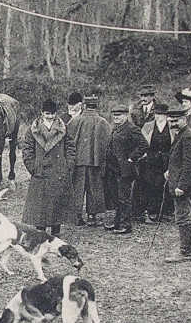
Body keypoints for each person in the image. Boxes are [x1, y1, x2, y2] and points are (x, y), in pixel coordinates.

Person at [21, 99, 74, 236]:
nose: (50, 117)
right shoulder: (33, 129)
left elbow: (70, 148)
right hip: (40, 172)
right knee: (40, 206)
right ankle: (41, 234)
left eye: (53, 114)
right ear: (41, 113)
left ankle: (55, 233)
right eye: (47, 114)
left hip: (59, 171)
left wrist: (68, 165)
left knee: (56, 204)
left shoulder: (64, 128)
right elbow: (27, 150)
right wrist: (33, 167)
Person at [164, 105, 191, 263]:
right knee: (181, 215)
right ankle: (183, 249)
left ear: (184, 119)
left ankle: (185, 252)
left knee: (183, 216)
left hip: (182, 186)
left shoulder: (187, 136)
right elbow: (178, 159)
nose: (172, 124)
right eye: (170, 121)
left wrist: (182, 186)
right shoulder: (181, 134)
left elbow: (190, 165)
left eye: (175, 121)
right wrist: (170, 171)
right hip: (177, 181)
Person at [67, 94, 111, 226]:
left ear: (84, 105)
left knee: (77, 189)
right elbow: (107, 143)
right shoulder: (103, 122)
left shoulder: (74, 121)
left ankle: (77, 216)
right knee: (95, 188)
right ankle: (92, 216)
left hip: (78, 161)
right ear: (97, 106)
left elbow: (67, 141)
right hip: (95, 162)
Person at [104, 103, 146, 234]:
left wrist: (131, 158)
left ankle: (126, 224)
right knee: (116, 197)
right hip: (113, 168)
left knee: (124, 197)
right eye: (114, 115)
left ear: (126, 115)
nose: (116, 118)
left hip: (125, 169)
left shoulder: (132, 128)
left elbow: (144, 145)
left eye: (119, 115)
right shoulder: (115, 128)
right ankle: (117, 222)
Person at [137, 102, 173, 222]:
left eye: (161, 114)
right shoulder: (148, 126)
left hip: (166, 159)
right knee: (150, 184)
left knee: (165, 184)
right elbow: (142, 141)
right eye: (157, 114)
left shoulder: (172, 127)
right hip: (151, 160)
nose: (158, 116)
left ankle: (165, 211)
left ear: (166, 115)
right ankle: (150, 210)